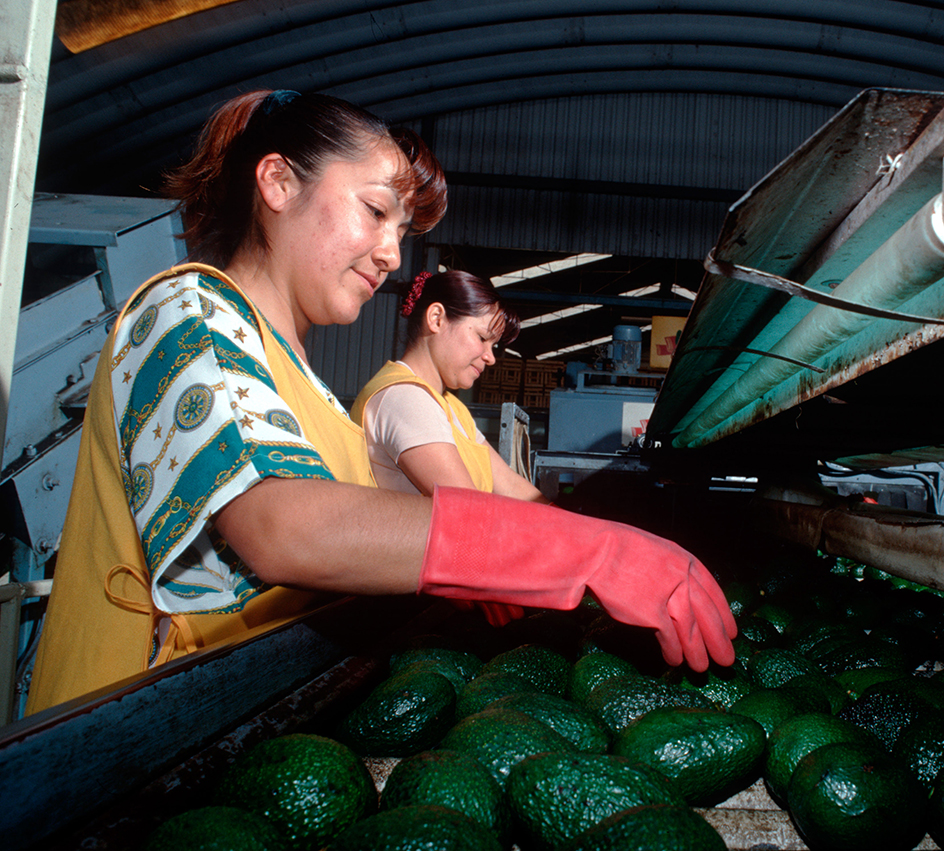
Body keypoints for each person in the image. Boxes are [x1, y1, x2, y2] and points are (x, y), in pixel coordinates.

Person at [26, 89, 736, 716]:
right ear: (276, 181)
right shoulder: (188, 310)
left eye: (402, 232)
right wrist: (583, 549)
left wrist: (483, 570)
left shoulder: (309, 387)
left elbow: (359, 546)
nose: (393, 254)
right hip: (115, 753)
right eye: (375, 211)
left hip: (223, 733)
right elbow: (285, 526)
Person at [351, 270, 547, 502]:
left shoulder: (451, 407)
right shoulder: (406, 398)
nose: (490, 357)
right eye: (483, 339)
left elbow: (510, 484)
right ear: (436, 319)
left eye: (493, 346)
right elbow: (467, 507)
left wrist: (571, 526)